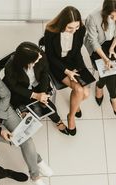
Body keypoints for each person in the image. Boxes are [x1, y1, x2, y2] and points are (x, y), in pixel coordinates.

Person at [3, 41, 69, 135]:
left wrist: (42, 93)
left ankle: (57, 121)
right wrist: (35, 95)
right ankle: (24, 112)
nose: (41, 57)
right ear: (26, 61)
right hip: (22, 90)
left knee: (49, 107)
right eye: (36, 59)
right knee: (27, 112)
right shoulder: (10, 67)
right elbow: (14, 86)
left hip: (38, 85)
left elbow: (45, 73)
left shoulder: (40, 54)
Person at [44, 6, 90, 135]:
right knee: (80, 90)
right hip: (57, 65)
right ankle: (71, 116)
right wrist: (67, 71)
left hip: (72, 62)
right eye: (70, 28)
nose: (74, 31)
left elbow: (77, 52)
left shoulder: (80, 29)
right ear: (62, 24)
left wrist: (81, 69)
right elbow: (51, 57)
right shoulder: (50, 31)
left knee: (86, 93)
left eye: (76, 27)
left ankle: (75, 105)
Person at [84, 0, 116, 118]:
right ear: (106, 11)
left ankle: (100, 85)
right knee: (109, 70)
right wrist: (105, 59)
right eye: (112, 16)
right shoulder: (93, 17)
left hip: (113, 42)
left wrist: (112, 48)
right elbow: (93, 42)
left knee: (110, 70)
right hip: (97, 45)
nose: (115, 18)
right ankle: (113, 99)